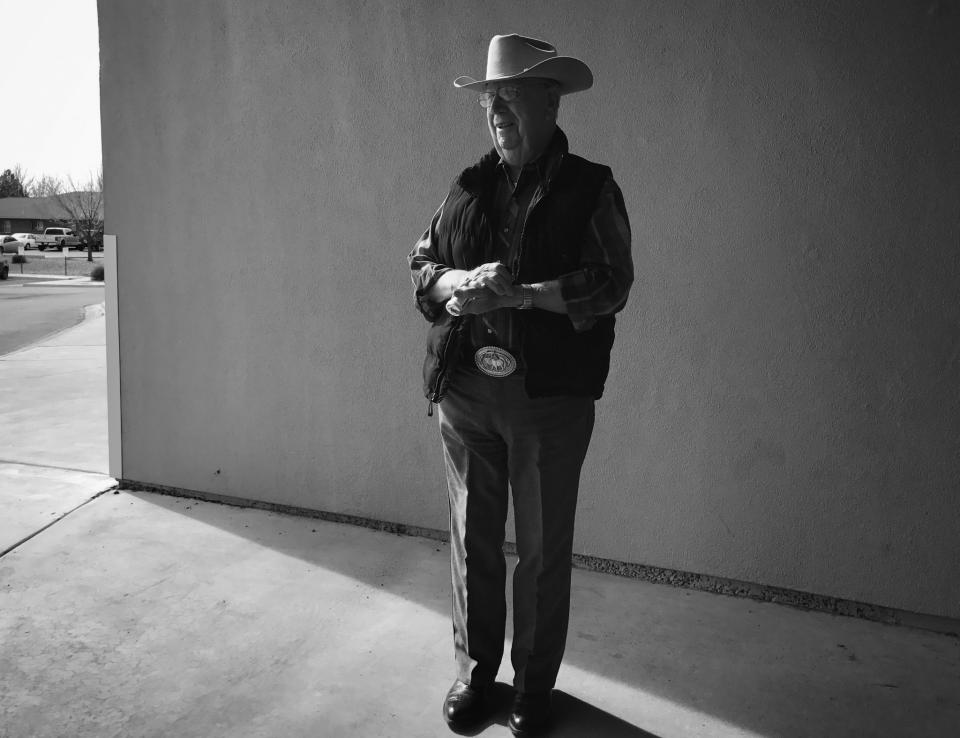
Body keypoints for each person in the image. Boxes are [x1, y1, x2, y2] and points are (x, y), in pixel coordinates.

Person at [408, 33, 633, 736]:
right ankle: (475, 674)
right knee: (474, 541)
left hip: (549, 399)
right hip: (467, 394)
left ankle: (534, 687)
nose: (497, 109)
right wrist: (456, 285)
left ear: (550, 100)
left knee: (538, 551)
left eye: (511, 95)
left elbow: (612, 284)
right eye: (489, 98)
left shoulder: (592, 186)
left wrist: (524, 295)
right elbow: (420, 265)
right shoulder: (467, 186)